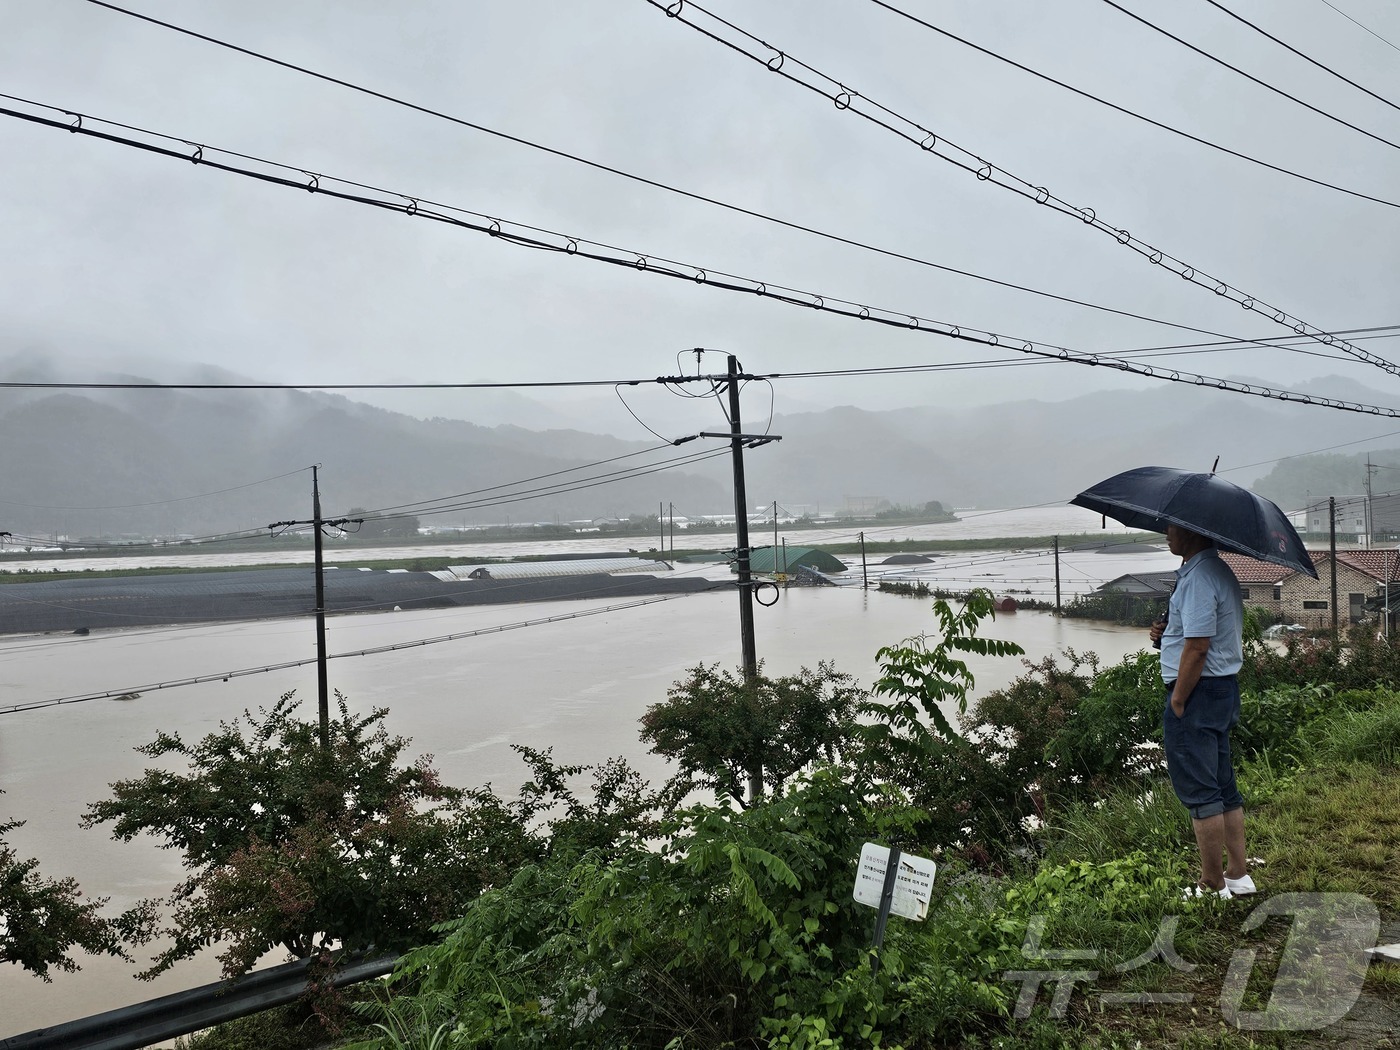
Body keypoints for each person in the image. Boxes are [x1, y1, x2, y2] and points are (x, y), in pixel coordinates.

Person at [1149, 524, 1256, 899]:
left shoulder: (1198, 579)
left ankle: (1212, 883)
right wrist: (1164, 634)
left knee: (1200, 790)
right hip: (1221, 689)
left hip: (1197, 694)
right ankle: (1238, 875)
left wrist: (1178, 699)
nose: (1167, 533)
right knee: (1223, 784)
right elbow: (1188, 636)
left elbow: (1197, 647)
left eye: (1173, 528)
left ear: (1192, 533)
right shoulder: (1218, 571)